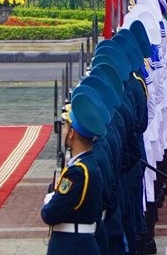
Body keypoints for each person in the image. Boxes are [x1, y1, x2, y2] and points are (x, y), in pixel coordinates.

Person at [41, 88, 106, 255]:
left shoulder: (77, 172)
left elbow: (50, 214)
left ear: (72, 134)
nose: (62, 131)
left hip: (71, 246)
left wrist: (49, 201)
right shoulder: (88, 163)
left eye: (65, 126)